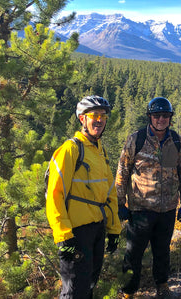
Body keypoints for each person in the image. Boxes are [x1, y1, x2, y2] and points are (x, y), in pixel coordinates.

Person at [46, 95, 122, 298]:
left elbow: (109, 192)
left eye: (103, 116)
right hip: (76, 234)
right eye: (94, 115)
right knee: (74, 290)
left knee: (89, 285)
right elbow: (54, 194)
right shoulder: (70, 150)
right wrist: (63, 236)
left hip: (97, 229)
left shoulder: (100, 151)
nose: (99, 120)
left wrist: (114, 229)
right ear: (82, 119)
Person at [115, 97, 181, 298]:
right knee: (134, 253)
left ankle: (162, 285)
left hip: (167, 209)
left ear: (170, 118)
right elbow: (122, 171)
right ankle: (129, 291)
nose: (161, 119)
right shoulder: (136, 139)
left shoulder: (175, 140)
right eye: (157, 115)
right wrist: (120, 203)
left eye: (165, 115)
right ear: (150, 117)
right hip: (141, 209)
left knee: (162, 250)